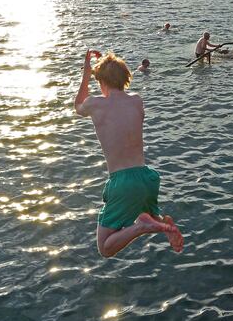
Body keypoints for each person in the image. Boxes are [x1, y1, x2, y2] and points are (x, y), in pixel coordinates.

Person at [74, 50, 183, 257]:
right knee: (145, 211)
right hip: (147, 177)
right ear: (125, 79)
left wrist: (87, 74)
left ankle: (140, 227)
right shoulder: (136, 100)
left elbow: (78, 106)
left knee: (105, 247)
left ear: (101, 81)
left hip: (122, 181)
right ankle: (158, 220)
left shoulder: (95, 104)